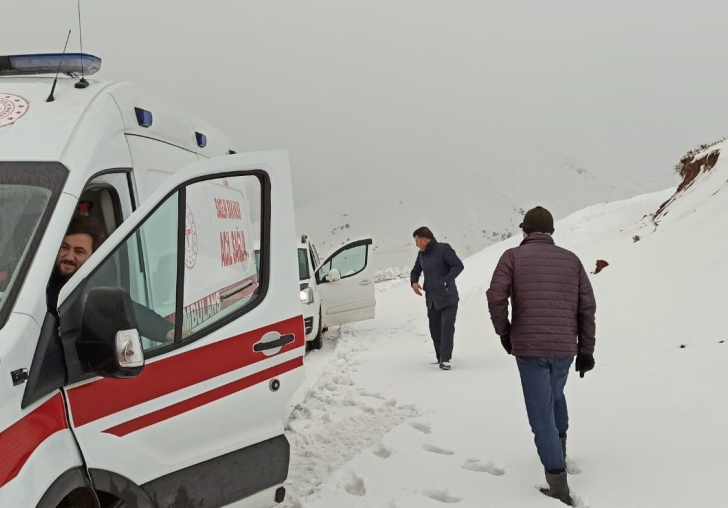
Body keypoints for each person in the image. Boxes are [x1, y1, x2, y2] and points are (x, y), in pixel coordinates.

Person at [485, 206, 596, 506]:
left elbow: (496, 295)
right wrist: (586, 350)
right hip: (564, 348)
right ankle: (559, 451)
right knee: (556, 396)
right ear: (551, 232)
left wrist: (505, 332)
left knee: (540, 413)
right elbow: (586, 307)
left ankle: (558, 484)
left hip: (530, 348)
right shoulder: (572, 260)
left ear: (525, 231)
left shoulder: (512, 256)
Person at [47, 214, 175, 343]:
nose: (69, 257)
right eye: (64, 248)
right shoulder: (36, 284)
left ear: (92, 258)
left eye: (79, 251)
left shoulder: (90, 289)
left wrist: (166, 330)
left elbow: (124, 309)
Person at [410, 227, 464, 370]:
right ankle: (440, 356)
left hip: (448, 297)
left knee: (446, 328)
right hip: (432, 299)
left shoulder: (443, 249)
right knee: (435, 329)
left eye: (416, 241)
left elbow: (458, 265)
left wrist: (446, 280)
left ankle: (445, 359)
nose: (416, 244)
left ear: (424, 240)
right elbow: (415, 271)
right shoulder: (421, 254)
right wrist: (414, 282)